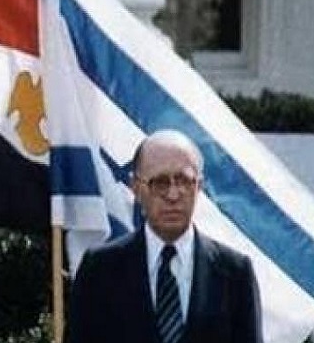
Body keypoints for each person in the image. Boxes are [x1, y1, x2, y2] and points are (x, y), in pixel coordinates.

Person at [65, 129, 263, 343]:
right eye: (159, 183)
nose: (173, 195)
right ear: (136, 188)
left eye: (184, 181)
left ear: (199, 186)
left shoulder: (234, 273)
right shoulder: (99, 270)